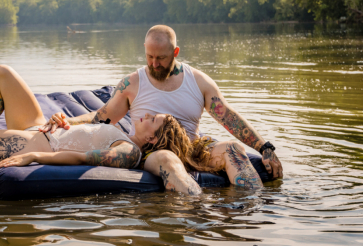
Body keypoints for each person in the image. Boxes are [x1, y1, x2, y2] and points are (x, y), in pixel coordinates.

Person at [0, 65, 263, 189]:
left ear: (153, 140)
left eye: (151, 120)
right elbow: (98, 117)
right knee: (2, 73)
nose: (143, 115)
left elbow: (82, 158)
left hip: (38, 143)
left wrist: (34, 158)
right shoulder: (124, 131)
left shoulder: (129, 151)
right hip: (46, 128)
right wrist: (67, 120)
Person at [42, 25, 283, 195]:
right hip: (152, 152)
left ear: (175, 53)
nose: (154, 64)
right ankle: (196, 214)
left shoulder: (198, 81)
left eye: (162, 58)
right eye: (149, 57)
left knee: (232, 148)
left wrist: (264, 147)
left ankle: (254, 211)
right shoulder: (132, 83)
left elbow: (228, 117)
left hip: (191, 147)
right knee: (168, 159)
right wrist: (67, 120)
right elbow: (100, 118)